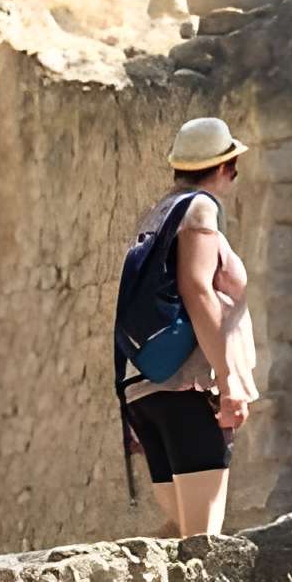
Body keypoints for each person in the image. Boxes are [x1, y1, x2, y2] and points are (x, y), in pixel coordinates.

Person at [118, 115, 258, 539]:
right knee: (202, 541)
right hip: (189, 390)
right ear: (221, 167)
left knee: (181, 531)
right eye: (233, 164)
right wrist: (229, 383)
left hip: (148, 389)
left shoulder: (159, 212)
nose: (234, 173)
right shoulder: (200, 208)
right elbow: (197, 289)